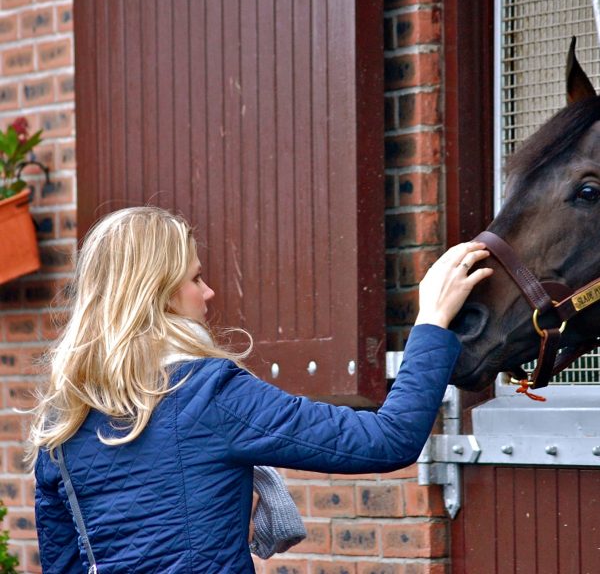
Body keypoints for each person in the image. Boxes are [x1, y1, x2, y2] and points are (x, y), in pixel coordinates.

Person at [30, 206, 493, 573]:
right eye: (195, 278)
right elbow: (389, 438)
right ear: (159, 293)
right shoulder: (207, 394)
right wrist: (432, 318)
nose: (208, 292)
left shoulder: (63, 422)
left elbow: (63, 563)